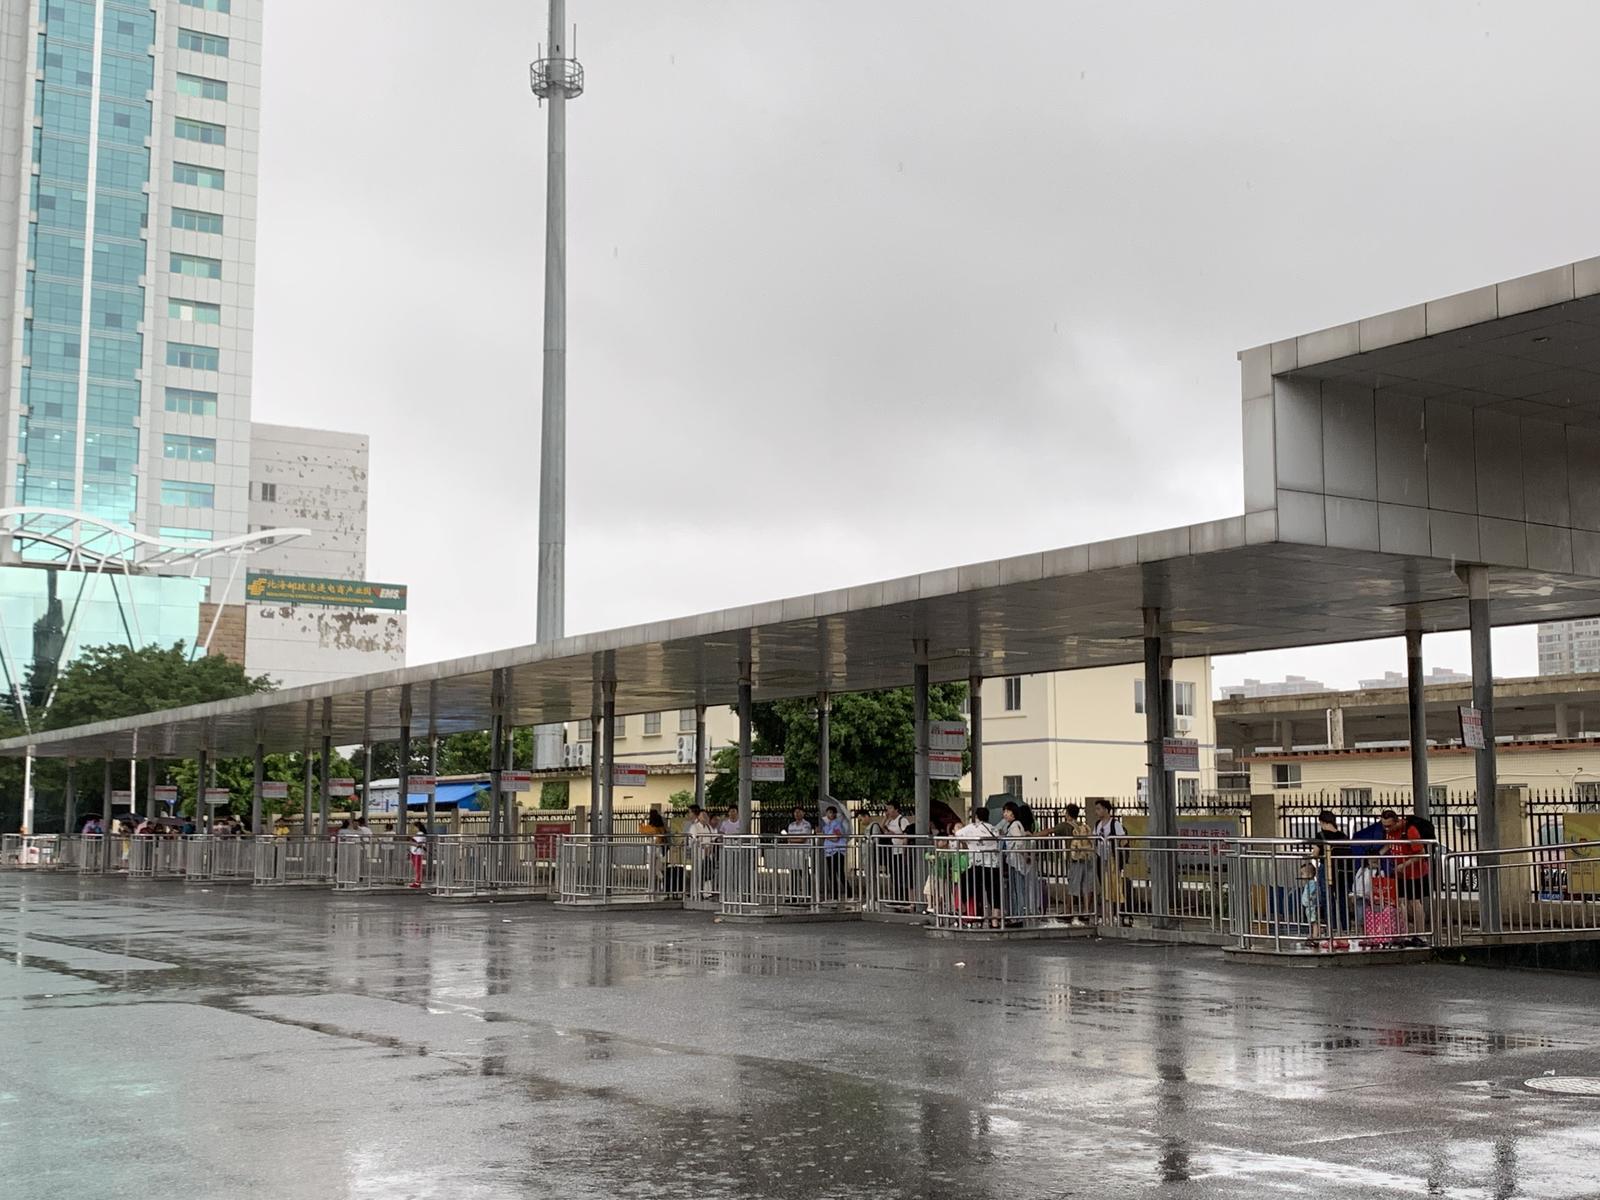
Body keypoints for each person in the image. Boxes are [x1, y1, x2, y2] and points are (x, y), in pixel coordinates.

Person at [1381, 809, 1431, 940]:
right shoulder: (1390, 833)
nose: (1386, 829)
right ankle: (1404, 933)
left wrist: (1404, 865)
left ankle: (1421, 934)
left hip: (1415, 872)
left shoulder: (1409, 830)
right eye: (1384, 825)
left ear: (1396, 822)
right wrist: (1379, 853)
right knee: (1400, 901)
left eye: (1389, 826)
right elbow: (1390, 845)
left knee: (1414, 902)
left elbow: (1421, 853)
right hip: (1400, 873)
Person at [955, 805, 1002, 926]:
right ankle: (995, 921)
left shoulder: (972, 827)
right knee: (994, 893)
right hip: (993, 865)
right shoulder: (993, 829)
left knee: (964, 886)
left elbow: (958, 834)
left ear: (976, 817)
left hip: (977, 865)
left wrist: (968, 842)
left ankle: (963, 912)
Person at [1312, 810, 1354, 937]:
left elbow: (1315, 853)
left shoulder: (1321, 835)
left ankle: (1332, 927)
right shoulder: (1343, 835)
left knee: (1327, 899)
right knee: (1342, 899)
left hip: (1328, 869)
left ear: (1323, 822)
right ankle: (1346, 927)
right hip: (1343, 871)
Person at [1092, 799, 1129, 924]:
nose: (1097, 811)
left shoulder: (1115, 824)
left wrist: (1116, 848)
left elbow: (1123, 840)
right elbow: (1094, 838)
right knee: (1104, 887)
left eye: (1099, 809)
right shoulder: (1098, 824)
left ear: (1106, 810)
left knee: (1115, 887)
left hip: (1113, 859)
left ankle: (1117, 913)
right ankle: (1106, 914)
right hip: (1101, 858)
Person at [1061, 803, 1096, 925]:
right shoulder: (1084, 826)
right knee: (1087, 886)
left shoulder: (1065, 826)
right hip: (1087, 858)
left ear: (1068, 814)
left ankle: (1068, 911)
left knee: (1073, 885)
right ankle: (1087, 912)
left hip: (1075, 859)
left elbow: (1049, 831)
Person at [881, 800, 912, 905]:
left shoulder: (902, 820)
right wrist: (885, 818)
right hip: (892, 851)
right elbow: (882, 828)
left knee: (901, 875)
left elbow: (906, 835)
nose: (888, 811)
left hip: (900, 851)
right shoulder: (890, 821)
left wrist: (893, 834)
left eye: (890, 808)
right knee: (894, 875)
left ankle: (904, 898)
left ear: (896, 809)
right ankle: (896, 897)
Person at [818, 805, 848, 901]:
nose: (828, 814)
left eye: (831, 812)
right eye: (827, 813)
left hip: (837, 851)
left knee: (839, 873)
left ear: (834, 814)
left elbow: (836, 838)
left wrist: (825, 836)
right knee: (831, 874)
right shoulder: (826, 826)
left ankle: (849, 892)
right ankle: (834, 895)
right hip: (828, 851)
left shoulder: (837, 824)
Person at [408, 820, 427, 889]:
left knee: (418, 867)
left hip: (418, 852)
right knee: (416, 867)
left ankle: (418, 881)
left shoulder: (420, 833)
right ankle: (416, 880)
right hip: (414, 852)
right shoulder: (417, 833)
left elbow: (418, 842)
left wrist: (412, 839)